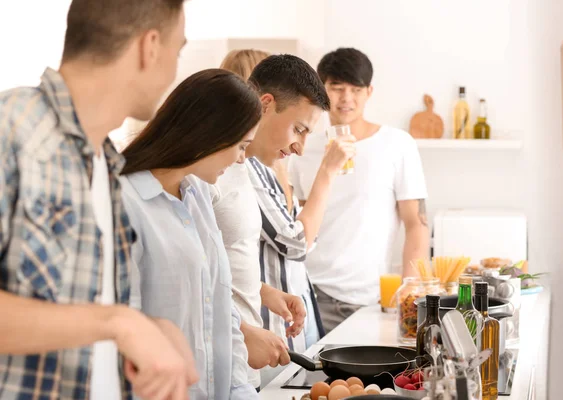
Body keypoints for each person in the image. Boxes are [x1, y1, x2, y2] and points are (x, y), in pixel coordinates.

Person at [0, 1, 198, 399]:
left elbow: (80, 313)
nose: (175, 71)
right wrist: (118, 322)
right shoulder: (12, 129)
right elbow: (105, 319)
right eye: (178, 52)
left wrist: (152, 329)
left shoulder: (105, 163)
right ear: (150, 47)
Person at [212, 53, 355, 389]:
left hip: (244, 356)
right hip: (229, 353)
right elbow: (295, 242)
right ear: (265, 104)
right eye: (299, 129)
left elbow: (214, 259)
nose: (301, 147)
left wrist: (261, 291)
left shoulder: (253, 167)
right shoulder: (221, 169)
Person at [120, 69, 262, 400]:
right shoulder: (127, 202)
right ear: (211, 134)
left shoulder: (197, 195)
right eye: (241, 146)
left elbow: (221, 310)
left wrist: (241, 390)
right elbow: (125, 329)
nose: (241, 158)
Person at [288, 48, 430, 333]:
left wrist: (410, 294)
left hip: (367, 299)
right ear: (321, 89)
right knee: (305, 378)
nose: (346, 99)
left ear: (369, 91)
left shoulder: (397, 144)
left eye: (356, 89)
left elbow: (416, 224)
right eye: (336, 88)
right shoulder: (303, 146)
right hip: (305, 294)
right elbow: (302, 224)